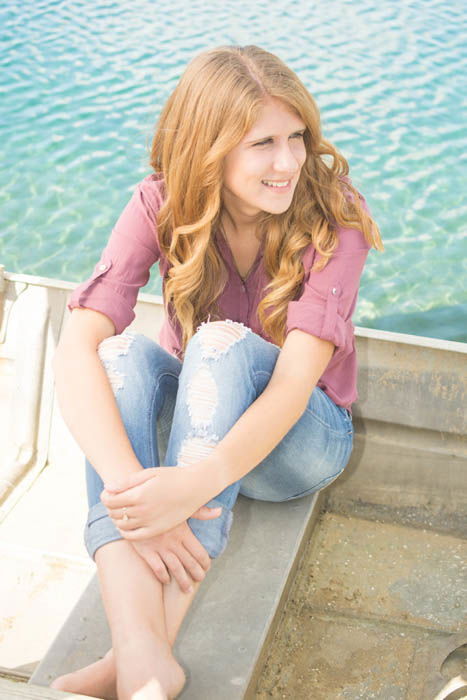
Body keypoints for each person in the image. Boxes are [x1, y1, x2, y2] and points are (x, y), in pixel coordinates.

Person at [51, 44, 383, 700]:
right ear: (210, 146)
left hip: (299, 444)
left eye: (295, 138)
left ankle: (143, 660)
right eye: (261, 143)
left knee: (218, 343)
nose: (287, 162)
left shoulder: (333, 215)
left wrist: (192, 483)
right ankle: (140, 655)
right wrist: (140, 498)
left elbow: (292, 387)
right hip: (200, 437)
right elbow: (74, 349)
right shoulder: (159, 203)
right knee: (115, 356)